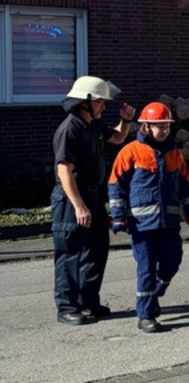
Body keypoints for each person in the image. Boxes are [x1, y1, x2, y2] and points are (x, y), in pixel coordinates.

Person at [52, 76, 136, 325]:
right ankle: (67, 307)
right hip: (71, 200)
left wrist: (126, 120)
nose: (103, 107)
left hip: (93, 196)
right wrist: (78, 205)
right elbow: (64, 171)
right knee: (69, 254)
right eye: (100, 102)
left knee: (97, 250)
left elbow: (119, 138)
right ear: (85, 102)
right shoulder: (70, 129)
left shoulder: (92, 126)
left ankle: (88, 301)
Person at [107, 103, 189, 333]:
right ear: (146, 126)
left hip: (169, 224)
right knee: (146, 269)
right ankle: (146, 315)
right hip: (142, 226)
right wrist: (117, 217)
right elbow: (115, 186)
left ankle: (159, 287)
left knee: (172, 262)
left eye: (166, 126)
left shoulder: (174, 154)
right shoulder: (130, 152)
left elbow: (186, 186)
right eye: (159, 126)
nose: (164, 130)